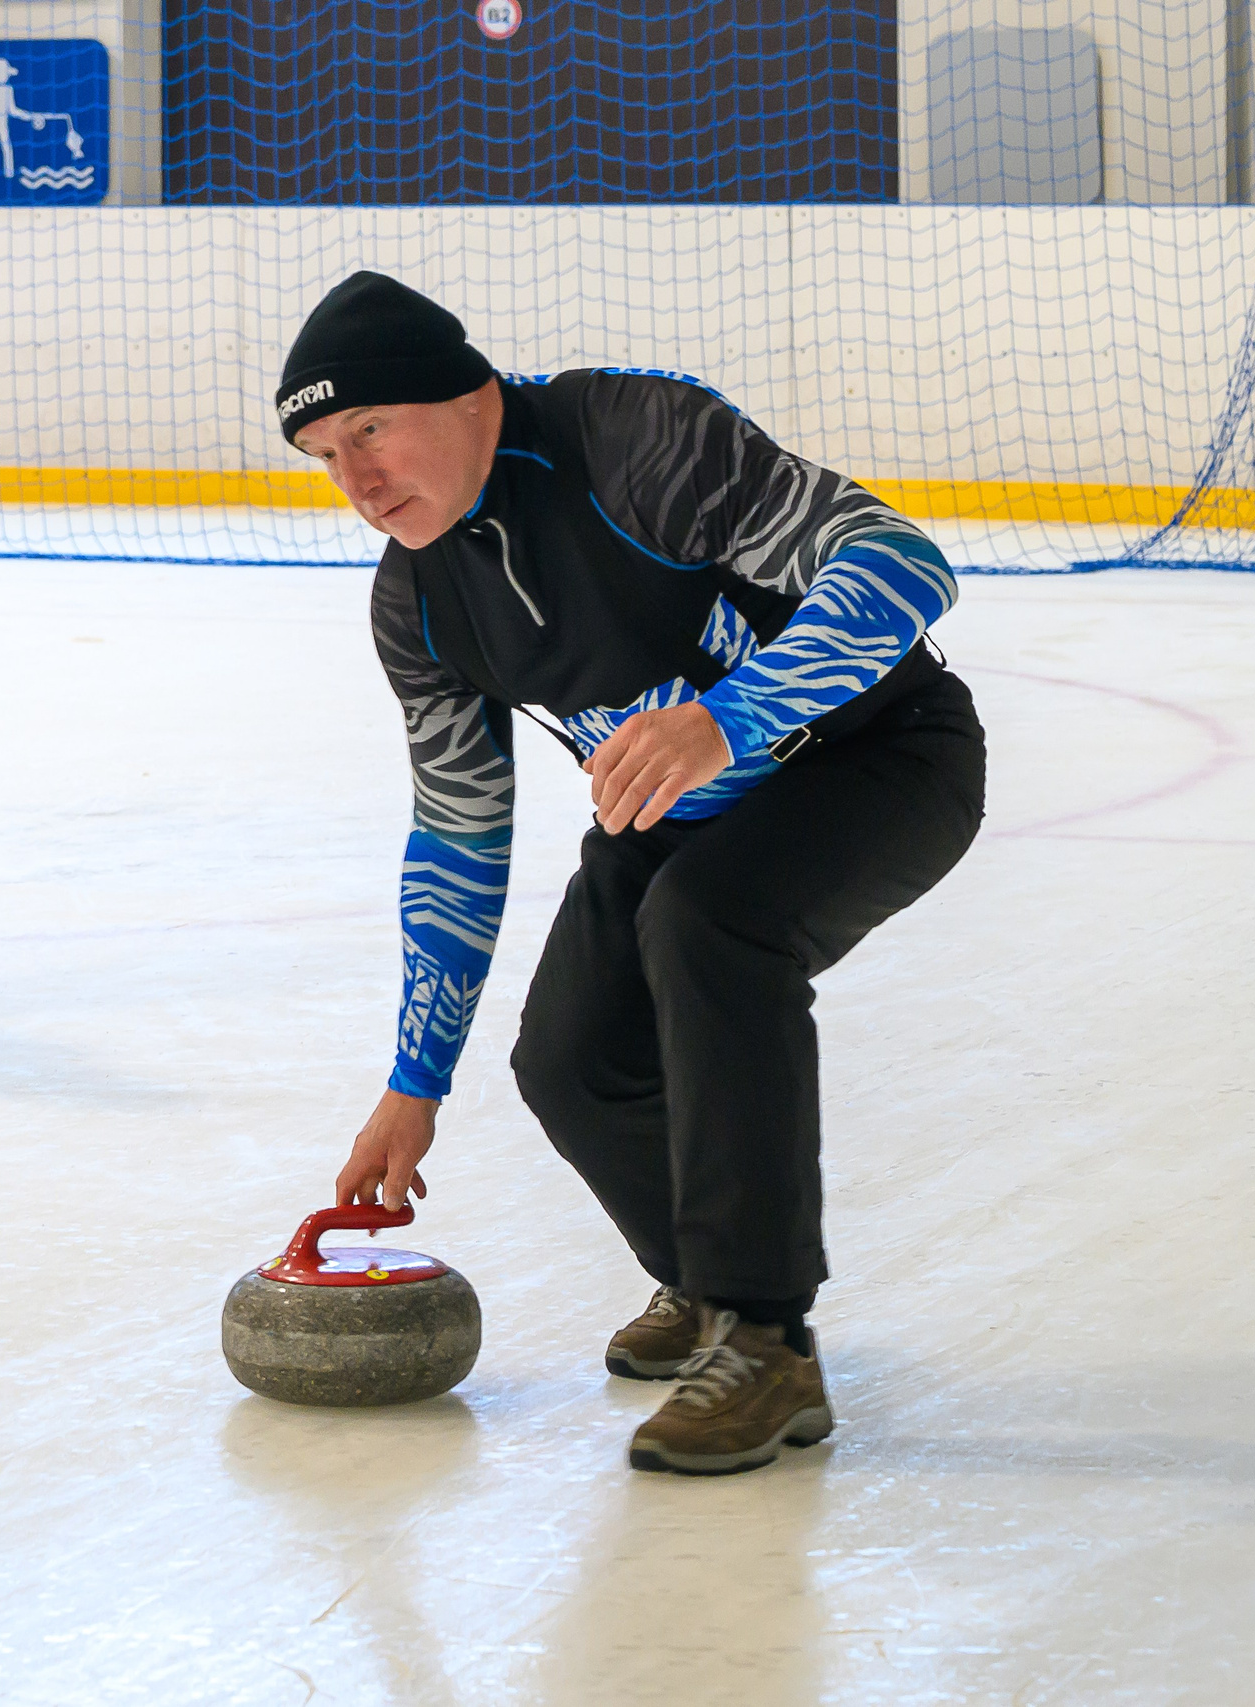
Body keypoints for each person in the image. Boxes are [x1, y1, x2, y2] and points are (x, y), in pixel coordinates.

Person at [283, 273, 987, 1476]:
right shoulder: (417, 602)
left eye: (370, 432)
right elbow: (458, 832)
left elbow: (901, 561)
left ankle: (764, 1346)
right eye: (322, 456)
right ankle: (705, 1289)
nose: (355, 482)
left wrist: (732, 715)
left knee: (710, 928)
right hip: (672, 811)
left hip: (879, 756)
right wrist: (413, 1082)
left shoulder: (625, 439)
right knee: (567, 1058)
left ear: (464, 394)